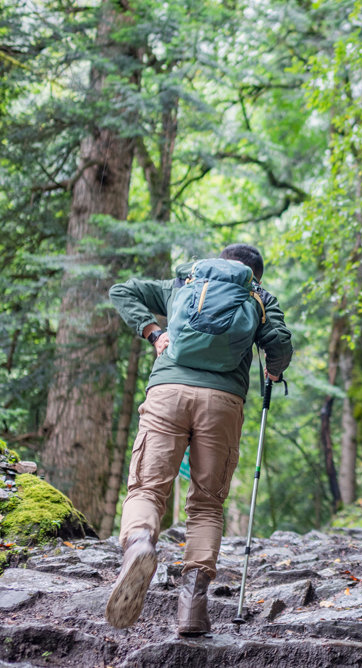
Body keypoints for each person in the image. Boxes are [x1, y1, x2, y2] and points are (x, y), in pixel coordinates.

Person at [104, 243, 293, 636]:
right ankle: (192, 608)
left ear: (219, 261)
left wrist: (154, 332)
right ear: (255, 274)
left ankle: (139, 543)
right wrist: (273, 371)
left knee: (147, 488)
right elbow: (279, 343)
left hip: (167, 393)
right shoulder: (258, 296)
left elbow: (123, 290)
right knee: (207, 505)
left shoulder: (184, 283)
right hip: (222, 404)